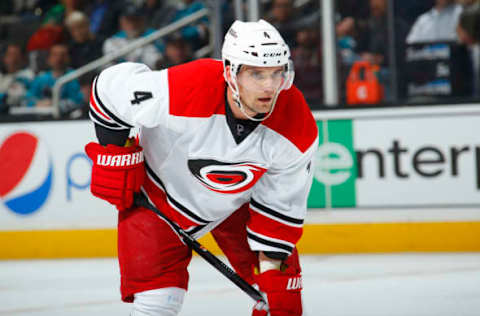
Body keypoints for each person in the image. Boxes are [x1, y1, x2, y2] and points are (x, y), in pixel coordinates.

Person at [85, 19, 318, 316]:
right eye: (256, 74)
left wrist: (273, 277)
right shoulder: (186, 87)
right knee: (157, 303)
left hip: (237, 203)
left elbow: (277, 220)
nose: (270, 86)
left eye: (277, 74)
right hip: (160, 196)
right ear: (230, 72)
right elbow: (109, 91)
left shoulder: (296, 125)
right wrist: (115, 153)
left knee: (280, 298)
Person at [25, 43, 84, 113]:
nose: (59, 58)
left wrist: (54, 104)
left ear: (68, 58)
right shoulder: (41, 78)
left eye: (63, 55)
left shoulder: (75, 76)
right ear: (48, 59)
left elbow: (78, 101)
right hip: (41, 119)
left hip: (67, 119)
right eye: (55, 55)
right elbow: (27, 99)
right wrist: (37, 103)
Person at [102, 3, 163, 69]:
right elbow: (109, 66)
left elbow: (158, 62)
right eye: (129, 20)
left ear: (142, 21)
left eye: (135, 20)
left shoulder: (154, 35)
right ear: (122, 22)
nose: (132, 24)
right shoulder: (113, 40)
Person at [0, 43, 34, 112]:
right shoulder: (1, 77)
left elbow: (31, 97)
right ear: (4, 58)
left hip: (23, 114)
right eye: (10, 55)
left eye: (16, 55)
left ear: (22, 58)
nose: (13, 58)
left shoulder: (29, 76)